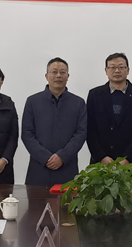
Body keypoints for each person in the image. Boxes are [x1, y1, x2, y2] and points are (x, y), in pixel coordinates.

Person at [22, 57, 87, 186]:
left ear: (68, 76)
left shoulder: (78, 103)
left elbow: (81, 133)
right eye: (54, 72)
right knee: (36, 199)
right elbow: (27, 134)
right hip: (39, 169)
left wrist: (62, 156)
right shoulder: (33, 101)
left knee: (67, 199)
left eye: (62, 72)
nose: (58, 76)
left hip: (67, 168)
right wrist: (45, 157)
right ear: (47, 76)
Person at [86, 53, 132, 176]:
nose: (117, 71)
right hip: (101, 164)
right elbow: (90, 129)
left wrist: (128, 158)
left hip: (131, 165)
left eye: (121, 67)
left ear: (128, 70)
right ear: (106, 71)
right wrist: (102, 157)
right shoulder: (95, 95)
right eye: (112, 67)